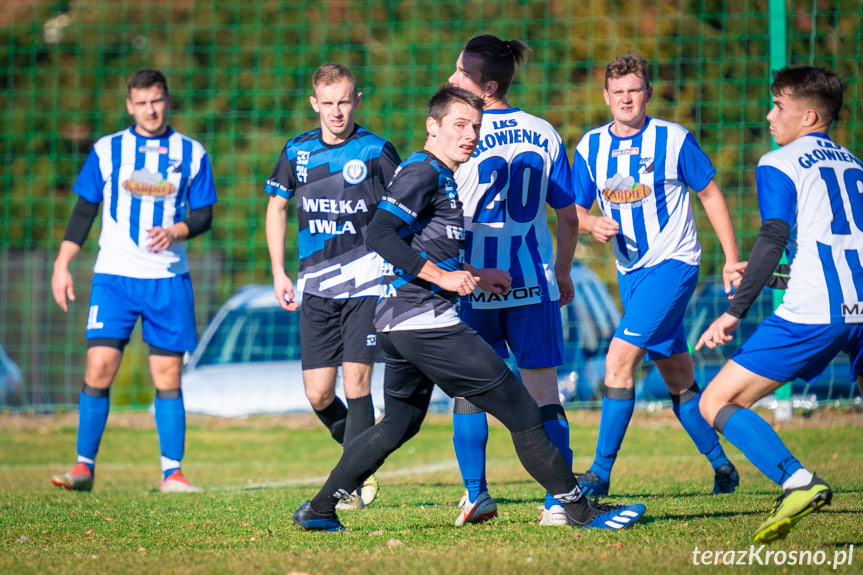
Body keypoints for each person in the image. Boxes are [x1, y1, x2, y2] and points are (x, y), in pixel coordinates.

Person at [291, 84, 646, 533]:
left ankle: (319, 509)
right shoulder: (421, 172)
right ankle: (581, 511)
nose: (470, 135)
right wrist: (441, 278)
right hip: (423, 322)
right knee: (520, 409)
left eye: (475, 127)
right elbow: (379, 234)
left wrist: (475, 273)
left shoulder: (440, 173)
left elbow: (426, 242)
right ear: (432, 127)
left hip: (401, 322)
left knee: (399, 424)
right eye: (459, 125)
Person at [696, 65, 862, 543]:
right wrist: (774, 273)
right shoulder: (854, 164)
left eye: (779, 107)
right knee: (743, 402)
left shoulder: (780, 161)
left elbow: (775, 234)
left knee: (717, 400)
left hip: (814, 312)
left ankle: (797, 480)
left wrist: (734, 310)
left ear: (808, 116)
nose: (770, 116)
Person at [571, 52, 741, 497]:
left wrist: (730, 257)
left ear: (647, 93)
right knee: (678, 378)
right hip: (632, 274)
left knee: (618, 360)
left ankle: (599, 475)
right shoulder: (590, 146)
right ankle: (723, 467)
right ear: (606, 97)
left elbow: (709, 194)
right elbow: (573, 210)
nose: (627, 99)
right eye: (618, 92)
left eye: (634, 90)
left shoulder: (674, 139)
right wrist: (591, 224)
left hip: (675, 264)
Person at [50, 69, 216, 493]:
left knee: (167, 376)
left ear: (167, 100)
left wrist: (176, 231)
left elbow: (203, 216)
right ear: (129, 105)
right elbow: (85, 210)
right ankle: (83, 467)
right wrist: (62, 263)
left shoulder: (191, 153)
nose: (150, 109)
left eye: (156, 100)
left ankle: (172, 473)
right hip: (114, 278)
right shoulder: (108, 150)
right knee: (100, 365)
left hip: (167, 279)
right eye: (141, 102)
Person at [446, 34, 580, 527]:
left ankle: (477, 495)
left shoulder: (461, 132)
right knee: (546, 393)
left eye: (462, 73)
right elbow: (567, 217)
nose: (453, 78)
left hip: (474, 283)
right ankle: (558, 504)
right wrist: (562, 270)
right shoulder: (544, 132)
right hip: (534, 282)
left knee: (467, 392)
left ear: (488, 86)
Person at [265, 64, 401, 509]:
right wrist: (279, 271)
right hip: (316, 288)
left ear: (357, 99)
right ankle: (365, 451)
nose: (336, 111)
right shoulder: (297, 152)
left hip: (366, 283)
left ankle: (354, 485)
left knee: (356, 382)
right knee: (319, 393)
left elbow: (405, 209)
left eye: (344, 101)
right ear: (314, 104)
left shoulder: (377, 151)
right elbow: (276, 209)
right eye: (327, 103)